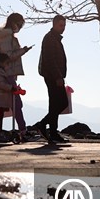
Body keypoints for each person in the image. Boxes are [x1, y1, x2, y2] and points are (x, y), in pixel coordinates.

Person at [0, 12, 34, 142]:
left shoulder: (3, 37)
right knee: (16, 104)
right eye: (19, 24)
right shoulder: (8, 37)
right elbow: (8, 57)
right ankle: (23, 131)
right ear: (14, 23)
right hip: (7, 73)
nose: (20, 27)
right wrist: (23, 51)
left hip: (5, 74)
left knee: (0, 105)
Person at [34, 15, 68, 144]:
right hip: (52, 76)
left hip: (55, 75)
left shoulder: (55, 39)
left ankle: (52, 131)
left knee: (55, 104)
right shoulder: (50, 39)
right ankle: (44, 126)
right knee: (61, 103)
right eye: (61, 25)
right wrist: (58, 76)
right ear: (54, 24)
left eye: (64, 25)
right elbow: (50, 60)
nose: (63, 28)